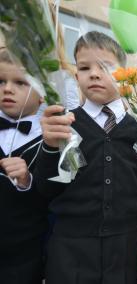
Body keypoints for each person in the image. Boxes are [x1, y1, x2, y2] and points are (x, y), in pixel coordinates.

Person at [34, 31, 137, 284]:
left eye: (105, 66)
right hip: (71, 247)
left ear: (124, 74)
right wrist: (49, 146)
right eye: (84, 67)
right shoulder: (65, 123)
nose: (93, 73)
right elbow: (46, 188)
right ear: (76, 74)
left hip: (124, 247)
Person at [0, 50, 48, 284]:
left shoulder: (49, 140)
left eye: (20, 82)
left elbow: (51, 198)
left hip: (23, 259)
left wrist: (27, 181)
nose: (7, 89)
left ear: (41, 94)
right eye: (1, 81)